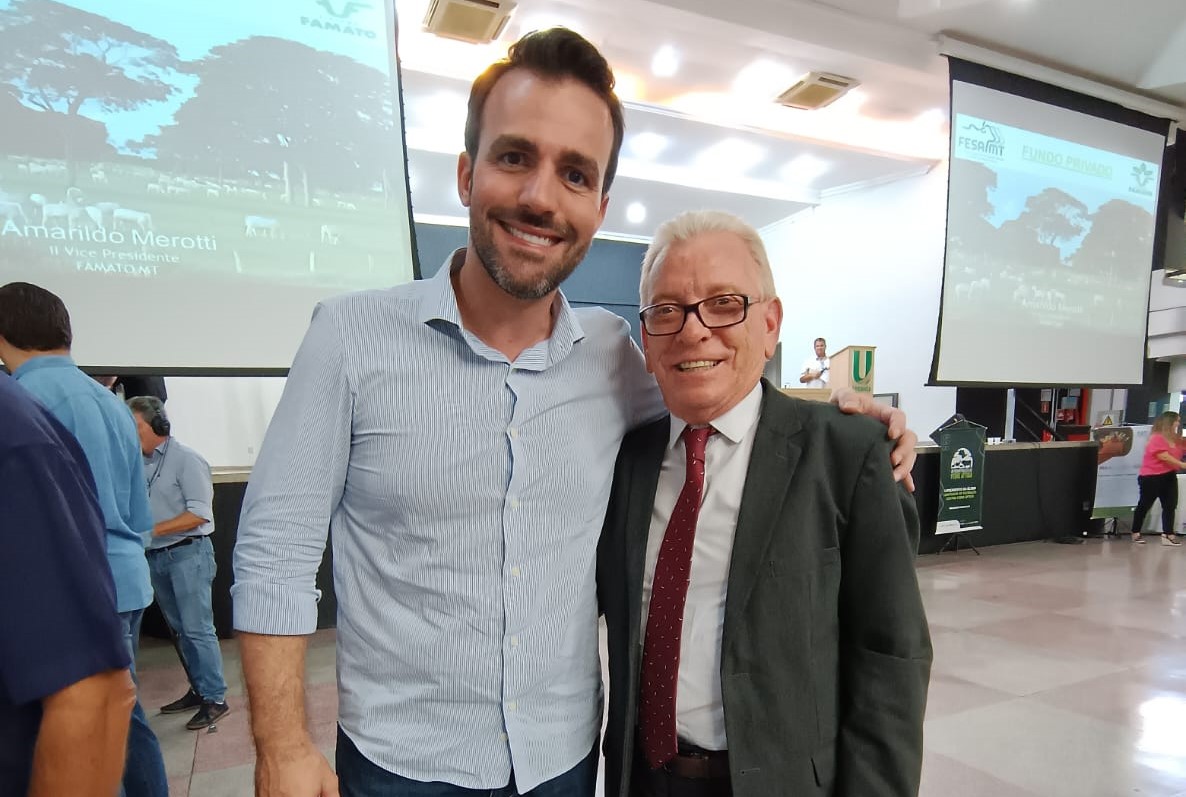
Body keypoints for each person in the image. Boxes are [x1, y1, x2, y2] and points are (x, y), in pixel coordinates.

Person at [232, 28, 918, 797]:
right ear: (466, 173)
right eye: (514, 156)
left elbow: (723, 391)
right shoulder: (350, 337)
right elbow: (275, 551)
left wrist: (859, 422)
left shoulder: (614, 356)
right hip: (404, 766)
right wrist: (282, 744)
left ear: (598, 206)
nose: (539, 197)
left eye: (575, 173)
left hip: (565, 764)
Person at [598, 211, 932, 797]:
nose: (694, 330)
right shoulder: (623, 461)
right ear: (647, 341)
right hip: (645, 779)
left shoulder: (848, 455)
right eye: (667, 310)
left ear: (771, 323)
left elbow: (890, 659)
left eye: (725, 304)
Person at [0, 281, 168, 797]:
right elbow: (139, 512)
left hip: (79, 584)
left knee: (79, 721)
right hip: (128, 575)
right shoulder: (114, 402)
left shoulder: (24, 401)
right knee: (122, 707)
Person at [0, 371, 137, 797]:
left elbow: (91, 695)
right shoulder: (107, 407)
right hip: (113, 574)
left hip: (100, 580)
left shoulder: (19, 424)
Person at [127, 396, 230, 729]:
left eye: (136, 425)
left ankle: (215, 698)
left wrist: (151, 529)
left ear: (158, 425)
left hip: (188, 554)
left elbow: (200, 513)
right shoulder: (137, 463)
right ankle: (198, 689)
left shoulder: (186, 460)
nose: (130, 432)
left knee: (198, 630)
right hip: (156, 556)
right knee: (182, 632)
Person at [1131, 411, 1185, 546]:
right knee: (1145, 504)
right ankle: (1135, 532)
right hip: (1151, 477)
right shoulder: (1156, 438)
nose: (1178, 423)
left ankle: (1168, 534)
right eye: (1176, 421)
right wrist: (1181, 464)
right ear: (1169, 422)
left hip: (1169, 475)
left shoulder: (1177, 439)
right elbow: (1163, 456)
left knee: (1170, 505)